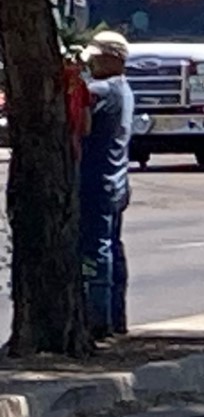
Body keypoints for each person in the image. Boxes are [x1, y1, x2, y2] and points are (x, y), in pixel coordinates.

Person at [78, 30, 134, 339]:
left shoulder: (104, 91)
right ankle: (116, 316)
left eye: (97, 58)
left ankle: (99, 320)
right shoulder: (123, 90)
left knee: (96, 250)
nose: (92, 65)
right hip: (117, 180)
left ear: (114, 59)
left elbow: (83, 122)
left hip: (97, 179)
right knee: (112, 246)